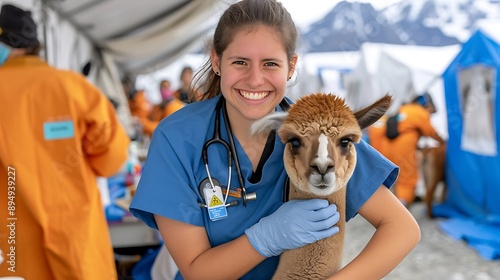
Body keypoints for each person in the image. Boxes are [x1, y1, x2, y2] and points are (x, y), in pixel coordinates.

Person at [129, 0, 420, 279]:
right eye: (240, 62)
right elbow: (196, 271)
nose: (255, 79)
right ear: (217, 61)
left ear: (291, 67)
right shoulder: (177, 137)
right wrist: (267, 238)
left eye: (270, 64)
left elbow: (402, 229)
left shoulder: (320, 129)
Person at [0, 4, 130, 280]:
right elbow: (112, 160)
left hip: (11, 243)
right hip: (75, 237)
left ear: (9, 44)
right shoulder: (74, 88)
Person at [368, 93, 445, 207]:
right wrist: (443, 142)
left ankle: (384, 204)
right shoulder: (419, 111)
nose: (430, 114)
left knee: (389, 178)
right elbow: (430, 131)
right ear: (427, 105)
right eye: (430, 111)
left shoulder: (403, 108)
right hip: (403, 147)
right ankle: (401, 205)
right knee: (406, 179)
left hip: (386, 146)